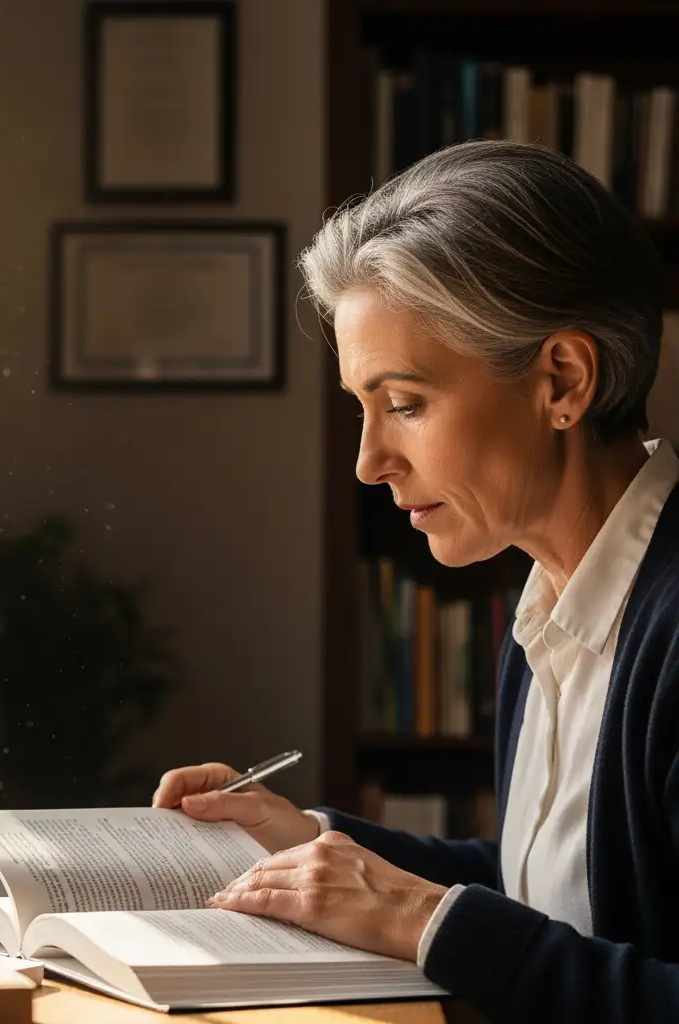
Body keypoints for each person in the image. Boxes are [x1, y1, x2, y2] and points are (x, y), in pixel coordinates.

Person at [153, 140, 679, 1024]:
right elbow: (553, 892)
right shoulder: (558, 602)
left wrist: (413, 913)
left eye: (404, 404)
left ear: (563, 381)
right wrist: (309, 840)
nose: (369, 463)